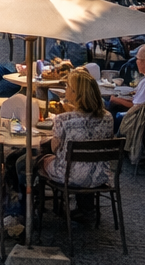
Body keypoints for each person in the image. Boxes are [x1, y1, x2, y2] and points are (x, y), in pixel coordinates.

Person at [37, 69, 116, 219]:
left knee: (38, 159)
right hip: (100, 175)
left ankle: (34, 205)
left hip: (70, 176)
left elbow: (55, 149)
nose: (65, 89)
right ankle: (86, 208)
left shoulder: (63, 119)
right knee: (83, 159)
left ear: (76, 93)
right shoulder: (108, 117)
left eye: (68, 86)